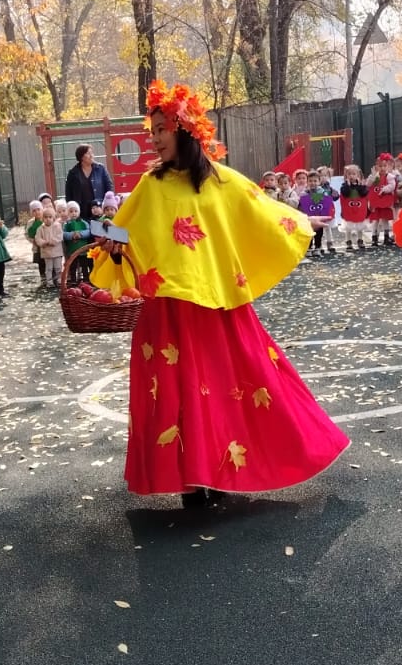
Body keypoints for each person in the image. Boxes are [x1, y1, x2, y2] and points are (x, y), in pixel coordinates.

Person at [91, 79, 349, 505]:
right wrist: (106, 237)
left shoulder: (219, 180)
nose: (153, 140)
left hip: (216, 304)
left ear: (185, 130)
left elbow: (262, 212)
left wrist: (304, 223)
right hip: (166, 309)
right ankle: (194, 478)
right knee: (180, 394)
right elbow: (119, 228)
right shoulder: (150, 185)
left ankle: (226, 470)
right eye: (152, 131)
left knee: (234, 383)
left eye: (161, 130)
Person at [64, 145, 114, 222]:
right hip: (81, 212)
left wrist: (106, 205)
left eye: (92, 153)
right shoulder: (73, 173)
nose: (91, 155)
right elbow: (68, 194)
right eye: (88, 153)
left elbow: (109, 187)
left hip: (99, 210)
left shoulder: (100, 169)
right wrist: (71, 209)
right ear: (81, 157)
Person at [366, 154, 398, 247]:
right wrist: (372, 177)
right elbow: (369, 185)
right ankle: (374, 238)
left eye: (384, 166)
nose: (382, 168)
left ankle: (386, 237)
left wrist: (384, 189)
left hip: (385, 202)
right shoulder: (375, 176)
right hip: (376, 202)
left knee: (385, 220)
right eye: (380, 166)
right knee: (375, 220)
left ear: (388, 166)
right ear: (376, 166)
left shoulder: (389, 176)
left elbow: (392, 186)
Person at [339, 165, 369, 252]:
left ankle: (360, 240)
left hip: (359, 209)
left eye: (353, 174)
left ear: (358, 175)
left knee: (360, 225)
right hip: (349, 209)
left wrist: (360, 185)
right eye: (349, 174)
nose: (351, 176)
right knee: (348, 226)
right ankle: (348, 241)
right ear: (346, 176)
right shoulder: (344, 185)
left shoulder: (361, 185)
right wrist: (348, 185)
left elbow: (364, 193)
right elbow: (345, 193)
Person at [34, 204, 65, 289]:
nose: (48, 219)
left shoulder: (57, 226)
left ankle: (59, 280)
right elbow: (37, 238)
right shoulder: (40, 228)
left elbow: (60, 236)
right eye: (46, 217)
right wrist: (43, 243)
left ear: (53, 217)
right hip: (46, 252)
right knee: (49, 268)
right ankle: (49, 282)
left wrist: (53, 241)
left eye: (50, 217)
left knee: (58, 267)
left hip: (57, 251)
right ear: (43, 218)